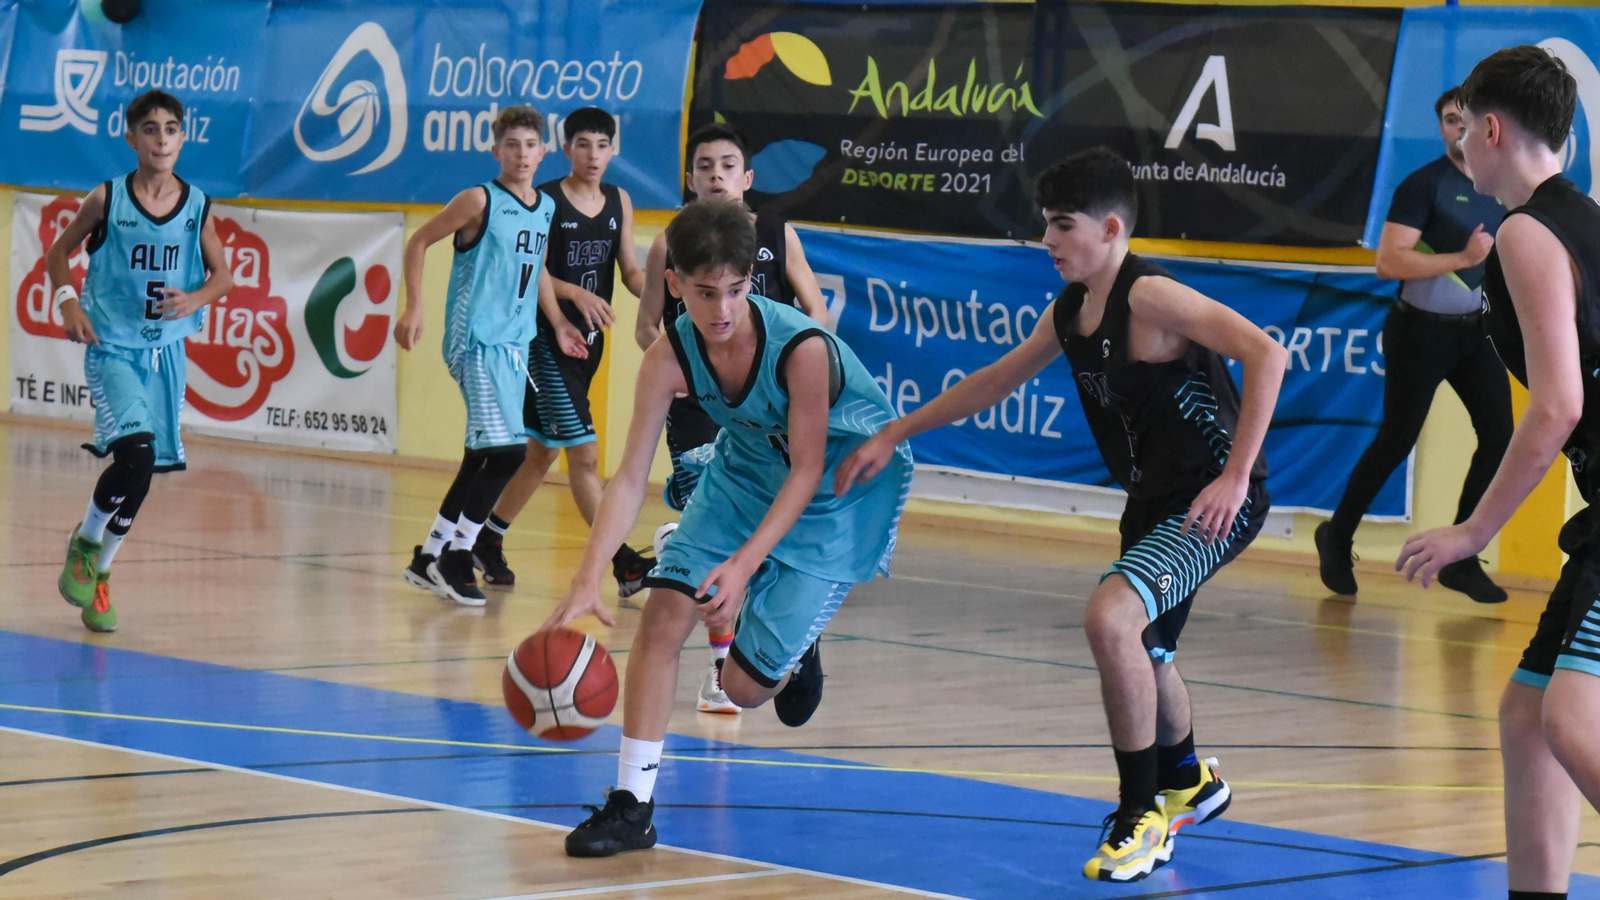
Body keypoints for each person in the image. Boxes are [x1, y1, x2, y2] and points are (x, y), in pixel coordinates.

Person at [838, 148, 1286, 883]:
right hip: (1154, 500)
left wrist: (1237, 476)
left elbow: (1267, 354)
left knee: (1111, 621)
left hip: (1211, 501)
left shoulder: (1152, 296)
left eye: (1060, 225)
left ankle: (1142, 814)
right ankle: (1189, 780)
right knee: (1150, 647)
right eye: (1045, 224)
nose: (1046, 240)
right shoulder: (1073, 310)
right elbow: (995, 379)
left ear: (1110, 228)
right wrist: (894, 432)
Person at [546, 199, 912, 858]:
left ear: (753, 281)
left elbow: (805, 472)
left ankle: (796, 644)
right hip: (744, 475)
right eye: (705, 292)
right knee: (663, 616)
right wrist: (586, 575)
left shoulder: (801, 350)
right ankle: (633, 805)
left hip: (835, 495)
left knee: (742, 691)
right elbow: (629, 477)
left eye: (736, 292)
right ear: (675, 284)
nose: (720, 310)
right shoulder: (670, 354)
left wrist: (744, 566)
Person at [1395, 46, 1597, 900]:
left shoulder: (1526, 231)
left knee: (1572, 720)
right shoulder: (1585, 215)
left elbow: (1556, 407)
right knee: (1528, 715)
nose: (1456, 145)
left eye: (1459, 128)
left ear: (1489, 129)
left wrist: (1473, 531)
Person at [636, 122, 830, 714]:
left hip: (767, 409)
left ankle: (790, 631)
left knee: (765, 538)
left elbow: (815, 311)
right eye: (703, 165)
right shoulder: (668, 244)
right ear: (689, 180)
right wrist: (685, 366)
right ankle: (722, 669)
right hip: (701, 407)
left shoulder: (775, 233)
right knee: (708, 522)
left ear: (746, 178)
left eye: (727, 164)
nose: (715, 173)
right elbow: (649, 325)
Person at [1317, 86, 1513, 604]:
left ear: (1484, 127)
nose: (1457, 128)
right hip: (1419, 331)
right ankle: (1336, 536)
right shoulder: (1424, 185)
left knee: (1500, 434)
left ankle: (1463, 558)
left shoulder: (1502, 187)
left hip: (1476, 333)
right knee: (1397, 439)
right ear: (1443, 129)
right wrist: (1463, 256)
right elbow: (1390, 263)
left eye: (1464, 120)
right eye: (1448, 120)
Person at [52, 89, 235, 633]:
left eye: (171, 128)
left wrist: (194, 299)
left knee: (146, 467)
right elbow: (58, 253)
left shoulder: (197, 204)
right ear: (131, 137)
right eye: (150, 128)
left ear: (184, 137)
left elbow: (223, 275)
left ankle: (101, 575)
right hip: (113, 347)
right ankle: (85, 540)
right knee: (134, 454)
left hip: (165, 352)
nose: (161, 138)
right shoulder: (107, 199)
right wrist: (68, 303)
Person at [394, 105, 581, 607]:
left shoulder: (544, 206)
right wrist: (415, 305)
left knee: (482, 454)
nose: (522, 154)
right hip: (474, 340)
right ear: (495, 150)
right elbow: (418, 242)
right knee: (509, 453)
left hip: (514, 345)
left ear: (544, 151)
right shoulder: (478, 199)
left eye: (530, 145)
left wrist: (559, 321)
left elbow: (535, 266)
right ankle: (457, 557)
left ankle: (426, 554)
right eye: (512, 145)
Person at [469, 106, 656, 596]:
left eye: (602, 145)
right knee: (585, 456)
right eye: (583, 144)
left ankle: (487, 538)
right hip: (544, 344)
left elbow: (631, 272)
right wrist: (575, 295)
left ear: (614, 150)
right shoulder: (544, 200)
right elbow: (531, 270)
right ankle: (624, 563)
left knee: (540, 454)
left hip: (587, 348)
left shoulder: (620, 200)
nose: (593, 155)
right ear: (566, 148)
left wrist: (667, 291)